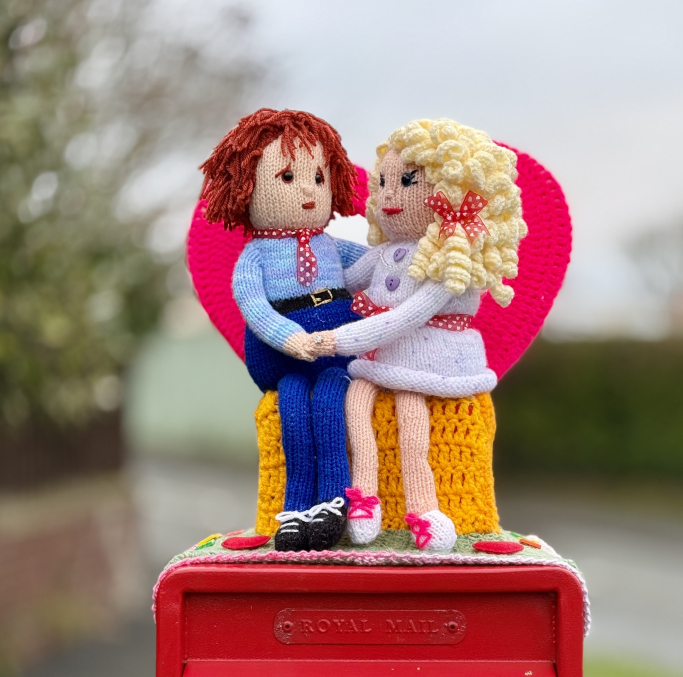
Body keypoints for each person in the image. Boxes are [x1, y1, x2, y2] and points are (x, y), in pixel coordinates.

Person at [308, 119, 527, 552]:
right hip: (380, 359)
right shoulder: (385, 253)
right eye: (384, 182)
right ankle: (364, 498)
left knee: (411, 419)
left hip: (427, 362)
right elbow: (344, 280)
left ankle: (425, 511)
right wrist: (311, 246)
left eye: (406, 182)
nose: (389, 195)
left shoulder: (455, 259)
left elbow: (409, 315)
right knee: (356, 403)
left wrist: (340, 339)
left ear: (452, 189)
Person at [200, 109, 366, 551]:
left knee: (331, 397)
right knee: (292, 405)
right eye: (289, 178)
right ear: (247, 187)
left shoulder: (332, 247)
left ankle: (332, 501)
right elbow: (254, 307)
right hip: (282, 357)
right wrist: (291, 338)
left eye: (317, 178)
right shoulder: (255, 258)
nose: (309, 193)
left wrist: (409, 264)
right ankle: (295, 509)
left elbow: (371, 267)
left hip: (335, 354)